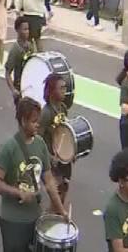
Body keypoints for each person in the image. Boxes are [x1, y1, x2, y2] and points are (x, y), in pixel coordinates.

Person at [0, 97, 67, 252]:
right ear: (23, 121)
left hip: (35, 218)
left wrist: (61, 210)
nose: (38, 124)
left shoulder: (40, 144)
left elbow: (49, 182)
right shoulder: (8, 147)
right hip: (13, 221)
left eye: (38, 120)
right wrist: (17, 192)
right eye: (34, 121)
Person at [38, 74, 72, 206]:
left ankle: (57, 218)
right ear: (52, 91)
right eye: (61, 88)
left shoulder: (63, 108)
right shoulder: (46, 113)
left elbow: (66, 132)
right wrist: (50, 158)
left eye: (65, 87)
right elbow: (38, 139)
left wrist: (70, 152)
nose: (64, 90)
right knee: (56, 195)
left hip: (63, 159)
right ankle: (51, 220)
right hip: (51, 162)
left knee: (63, 189)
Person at [3, 17, 32, 107]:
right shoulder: (15, 50)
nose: (27, 32)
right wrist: (13, 90)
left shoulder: (30, 46)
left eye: (28, 29)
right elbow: (7, 73)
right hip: (20, 88)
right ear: (17, 30)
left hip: (30, 87)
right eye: (24, 29)